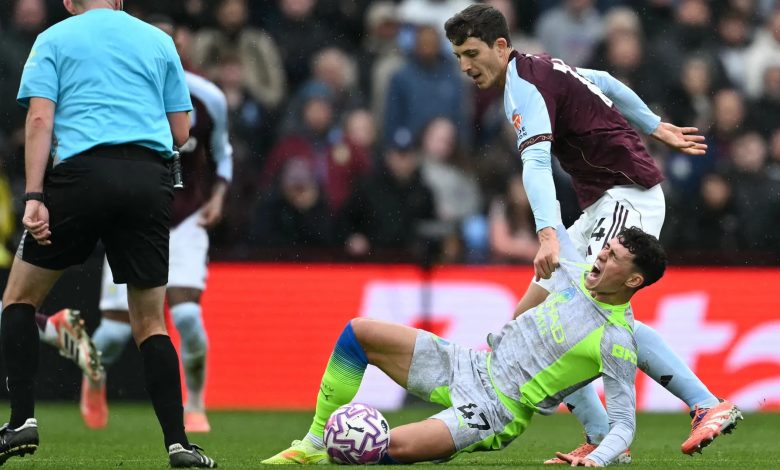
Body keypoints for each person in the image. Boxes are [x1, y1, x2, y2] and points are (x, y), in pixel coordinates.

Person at [443, 4, 740, 462]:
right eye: (458, 55)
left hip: (627, 197)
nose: (464, 66)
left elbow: (537, 163)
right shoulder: (539, 68)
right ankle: (602, 436)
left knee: (601, 317)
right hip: (603, 203)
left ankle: (705, 404)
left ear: (500, 47)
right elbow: (602, 80)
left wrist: (547, 235)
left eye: (470, 53)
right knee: (529, 320)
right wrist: (653, 125)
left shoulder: (525, 85)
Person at [2, 0, 215, 467]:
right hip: (148, 180)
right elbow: (181, 130)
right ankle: (180, 445)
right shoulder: (159, 41)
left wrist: (35, 194)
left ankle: (20, 423)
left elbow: (40, 119)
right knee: (150, 324)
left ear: (68, 3)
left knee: (17, 301)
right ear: (119, 1)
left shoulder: (53, 39)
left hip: (80, 177)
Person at [262, 225, 665, 467]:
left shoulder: (617, 341)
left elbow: (625, 425)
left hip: (496, 410)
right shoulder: (575, 272)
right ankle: (314, 444)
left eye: (613, 258)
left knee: (383, 447)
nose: (600, 257)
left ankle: (336, 452)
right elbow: (546, 202)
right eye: (605, 248)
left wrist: (595, 458)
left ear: (632, 281)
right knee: (359, 332)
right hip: (471, 364)